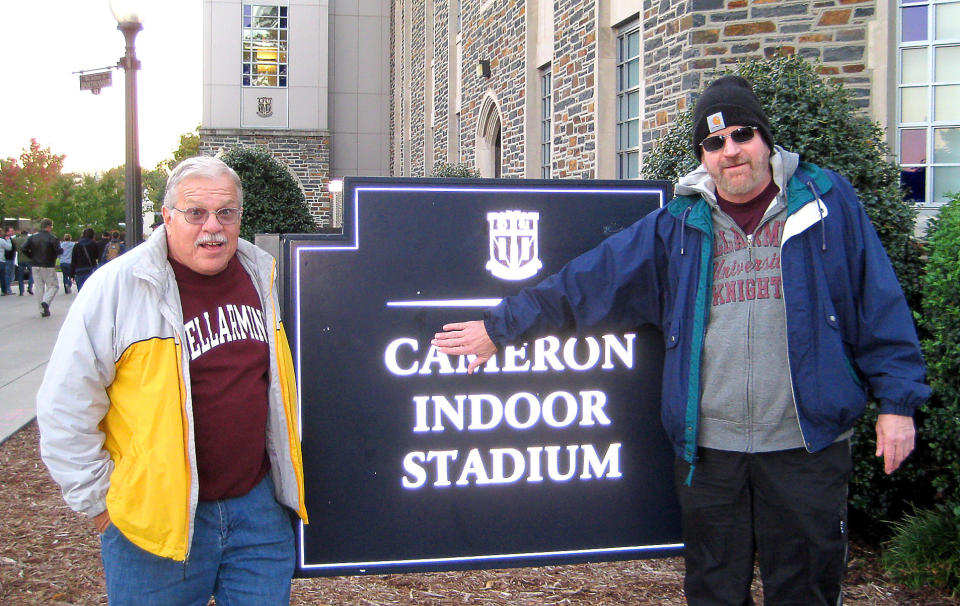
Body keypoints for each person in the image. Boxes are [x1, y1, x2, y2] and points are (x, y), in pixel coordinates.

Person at [432, 75, 929, 605]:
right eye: (714, 143)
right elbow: (587, 284)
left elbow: (879, 304)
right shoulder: (678, 225)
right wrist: (498, 329)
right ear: (703, 155)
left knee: (806, 590)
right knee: (714, 591)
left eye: (741, 135)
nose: (730, 151)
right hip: (710, 453)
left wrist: (897, 402)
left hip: (807, 445)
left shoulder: (828, 203)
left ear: (765, 138)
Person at [37, 156, 308, 606]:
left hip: (257, 514)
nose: (213, 227)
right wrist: (102, 506)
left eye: (226, 212)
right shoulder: (119, 287)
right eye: (196, 213)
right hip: (155, 522)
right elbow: (65, 405)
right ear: (167, 217)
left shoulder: (260, 275)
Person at [22, 218, 62, 317]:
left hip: (35, 265)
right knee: (53, 286)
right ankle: (46, 301)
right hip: (48, 265)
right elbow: (58, 250)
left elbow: (23, 248)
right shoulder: (53, 238)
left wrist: (32, 256)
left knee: (39, 288)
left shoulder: (32, 238)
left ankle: (42, 310)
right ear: (49, 226)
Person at [13, 229, 33, 295]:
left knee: (20, 276)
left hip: (20, 259)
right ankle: (30, 287)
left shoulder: (16, 239)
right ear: (27, 233)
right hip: (29, 259)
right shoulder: (30, 239)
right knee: (32, 273)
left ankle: (21, 291)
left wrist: (17, 235)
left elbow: (12, 239)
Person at [0, 227, 14, 295]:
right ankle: (4, 290)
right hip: (2, 260)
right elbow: (9, 248)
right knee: (3, 276)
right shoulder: (2, 240)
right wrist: (8, 241)